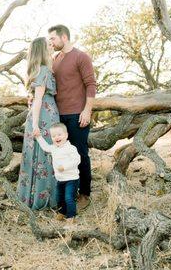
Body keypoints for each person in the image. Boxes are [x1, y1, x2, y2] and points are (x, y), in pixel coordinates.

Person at [48, 24, 96, 211]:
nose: (50, 42)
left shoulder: (81, 57)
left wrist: (87, 110)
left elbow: (91, 84)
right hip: (58, 117)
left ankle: (84, 193)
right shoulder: (55, 59)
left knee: (80, 154)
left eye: (53, 38)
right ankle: (67, 193)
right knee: (61, 155)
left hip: (77, 114)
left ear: (64, 37)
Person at [17, 37, 59, 210]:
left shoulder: (42, 69)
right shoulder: (43, 70)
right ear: (42, 50)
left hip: (44, 115)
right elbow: (39, 99)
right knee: (44, 156)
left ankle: (37, 197)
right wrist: (35, 125)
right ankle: (41, 200)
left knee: (43, 156)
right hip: (43, 118)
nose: (52, 47)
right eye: (48, 45)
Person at [34, 122, 81, 224]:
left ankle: (71, 216)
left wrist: (64, 167)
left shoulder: (71, 148)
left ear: (66, 135)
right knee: (59, 198)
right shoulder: (54, 148)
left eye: (59, 135)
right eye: (54, 136)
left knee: (69, 198)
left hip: (71, 179)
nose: (56, 137)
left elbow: (77, 160)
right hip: (60, 179)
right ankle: (62, 212)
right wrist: (38, 137)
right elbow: (45, 147)